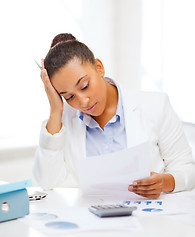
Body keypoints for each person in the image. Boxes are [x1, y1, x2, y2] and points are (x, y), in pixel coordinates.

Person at [33, 33, 195, 199]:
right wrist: (55, 111)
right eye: (69, 97)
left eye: (84, 86)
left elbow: (187, 169)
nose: (83, 102)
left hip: (149, 219)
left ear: (99, 68)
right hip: (91, 221)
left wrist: (163, 182)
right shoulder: (63, 121)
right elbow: (46, 182)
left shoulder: (156, 105)